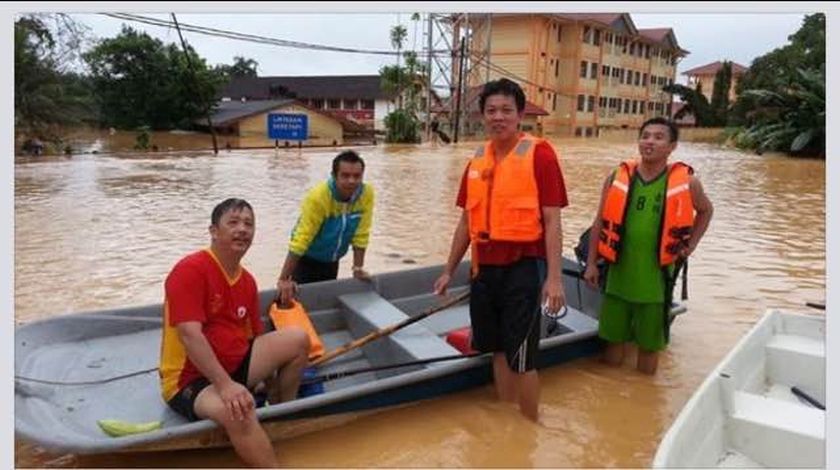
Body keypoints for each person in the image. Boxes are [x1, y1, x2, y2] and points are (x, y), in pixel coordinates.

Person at [433, 78, 568, 422]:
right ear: (482, 116)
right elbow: (466, 223)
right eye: (491, 110)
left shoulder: (541, 154)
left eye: (506, 110)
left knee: (522, 357)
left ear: (520, 114)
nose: (498, 117)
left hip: (524, 267)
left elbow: (552, 220)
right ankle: (506, 424)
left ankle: (529, 428)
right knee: (495, 347)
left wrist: (555, 280)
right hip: (484, 270)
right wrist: (449, 269)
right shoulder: (477, 160)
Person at [159, 198, 310, 468]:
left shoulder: (248, 280)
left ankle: (282, 416)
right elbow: (190, 336)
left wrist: (268, 380)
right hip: (192, 379)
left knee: (298, 339)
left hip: (235, 365)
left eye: (249, 224)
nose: (242, 229)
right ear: (214, 231)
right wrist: (226, 386)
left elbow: (254, 337)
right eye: (233, 222)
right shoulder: (190, 270)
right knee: (239, 411)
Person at [583, 117, 714, 375]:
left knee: (648, 349)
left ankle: (644, 397)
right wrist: (590, 264)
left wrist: (691, 246)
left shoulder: (687, 183)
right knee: (612, 344)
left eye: (658, 137)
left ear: (672, 146)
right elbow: (599, 222)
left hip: (656, 282)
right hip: (618, 277)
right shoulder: (616, 177)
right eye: (645, 136)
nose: (649, 142)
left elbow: (706, 211)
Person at [275, 150, 375, 306]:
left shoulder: (366, 194)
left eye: (357, 176)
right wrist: (283, 278)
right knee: (298, 305)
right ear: (334, 176)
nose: (351, 181)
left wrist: (357, 267)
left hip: (332, 261)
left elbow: (361, 234)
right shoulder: (319, 197)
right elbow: (301, 238)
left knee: (323, 303)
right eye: (345, 175)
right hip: (306, 260)